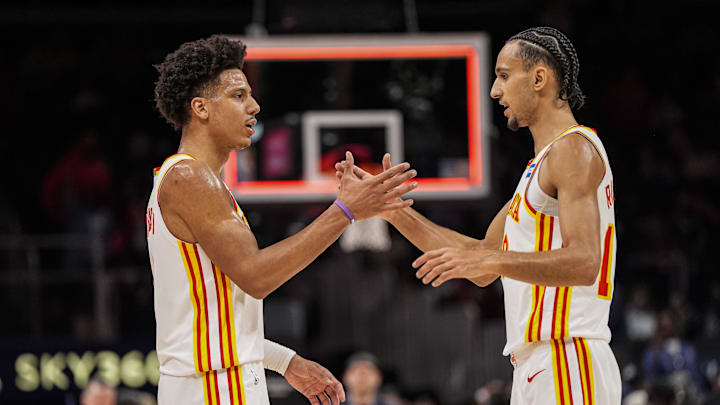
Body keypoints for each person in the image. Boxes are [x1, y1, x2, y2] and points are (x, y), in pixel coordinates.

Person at [337, 26, 620, 404]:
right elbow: (483, 266)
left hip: (569, 356)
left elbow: (584, 262)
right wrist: (391, 210)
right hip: (539, 363)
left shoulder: (573, 150)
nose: (494, 91)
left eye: (504, 75)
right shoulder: (538, 168)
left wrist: (488, 257)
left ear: (539, 78)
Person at [148, 35, 418, 405]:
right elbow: (257, 276)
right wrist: (344, 212)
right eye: (238, 96)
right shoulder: (190, 179)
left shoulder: (199, 182)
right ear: (201, 108)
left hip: (222, 382)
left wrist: (284, 361)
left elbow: (213, 321)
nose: (254, 106)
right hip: (211, 389)